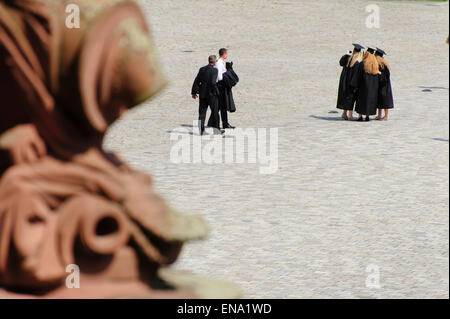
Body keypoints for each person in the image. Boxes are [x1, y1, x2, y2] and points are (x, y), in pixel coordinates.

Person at [191, 55, 224, 135]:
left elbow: (196, 81)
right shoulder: (215, 70)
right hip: (212, 95)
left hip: (202, 94)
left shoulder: (202, 69)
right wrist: (217, 92)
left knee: (202, 113)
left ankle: (200, 130)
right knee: (215, 112)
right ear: (215, 62)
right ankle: (217, 130)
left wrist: (194, 92)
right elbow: (213, 82)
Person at [208, 48, 235, 129]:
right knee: (222, 106)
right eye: (226, 53)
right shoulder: (219, 63)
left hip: (220, 86)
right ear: (224, 54)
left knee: (219, 106)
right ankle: (224, 124)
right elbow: (219, 77)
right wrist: (227, 74)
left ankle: (211, 122)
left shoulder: (221, 62)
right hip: (221, 86)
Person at [336, 44, 365, 120]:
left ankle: (344, 113)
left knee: (346, 97)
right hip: (352, 82)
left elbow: (341, 63)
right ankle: (350, 115)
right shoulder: (357, 62)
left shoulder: (348, 59)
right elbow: (356, 75)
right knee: (351, 98)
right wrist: (355, 85)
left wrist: (346, 54)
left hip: (344, 81)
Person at [352, 47, 381, 122]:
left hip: (363, 86)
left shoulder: (363, 64)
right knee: (369, 100)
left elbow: (358, 76)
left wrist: (355, 85)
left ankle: (360, 116)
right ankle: (367, 116)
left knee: (361, 100)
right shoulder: (375, 65)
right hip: (373, 87)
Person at [375, 48, 394, 121]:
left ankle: (386, 115)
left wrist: (379, 76)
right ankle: (379, 115)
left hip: (384, 85)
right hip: (382, 85)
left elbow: (385, 76)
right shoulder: (382, 64)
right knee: (380, 100)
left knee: (385, 101)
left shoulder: (383, 65)